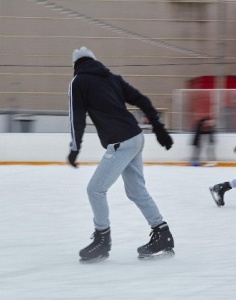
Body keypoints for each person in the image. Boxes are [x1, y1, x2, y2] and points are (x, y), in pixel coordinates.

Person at [67, 46, 175, 263]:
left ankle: (102, 240)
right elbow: (142, 100)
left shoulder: (78, 82)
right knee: (136, 190)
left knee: (95, 190)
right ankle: (162, 234)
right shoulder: (112, 78)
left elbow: (76, 117)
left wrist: (75, 147)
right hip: (135, 138)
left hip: (121, 142)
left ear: (76, 65)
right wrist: (159, 128)